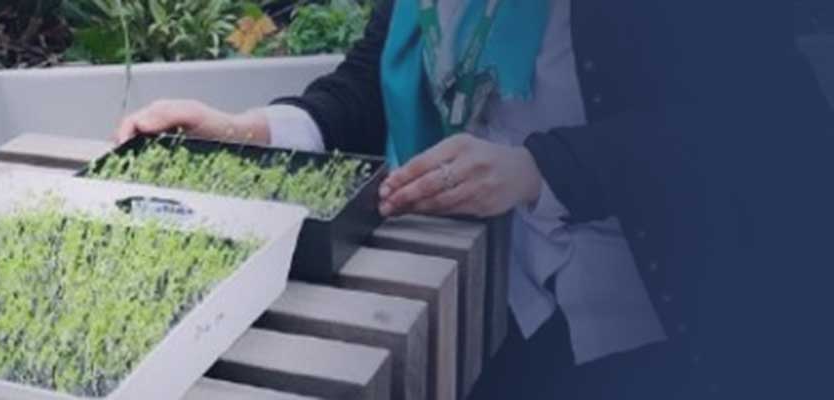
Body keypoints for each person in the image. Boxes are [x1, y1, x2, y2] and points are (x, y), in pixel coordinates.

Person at [115, 0, 833, 398]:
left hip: (637, 329)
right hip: (474, 300)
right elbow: (369, 81)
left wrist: (543, 169)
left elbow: (767, 127)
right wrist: (250, 131)